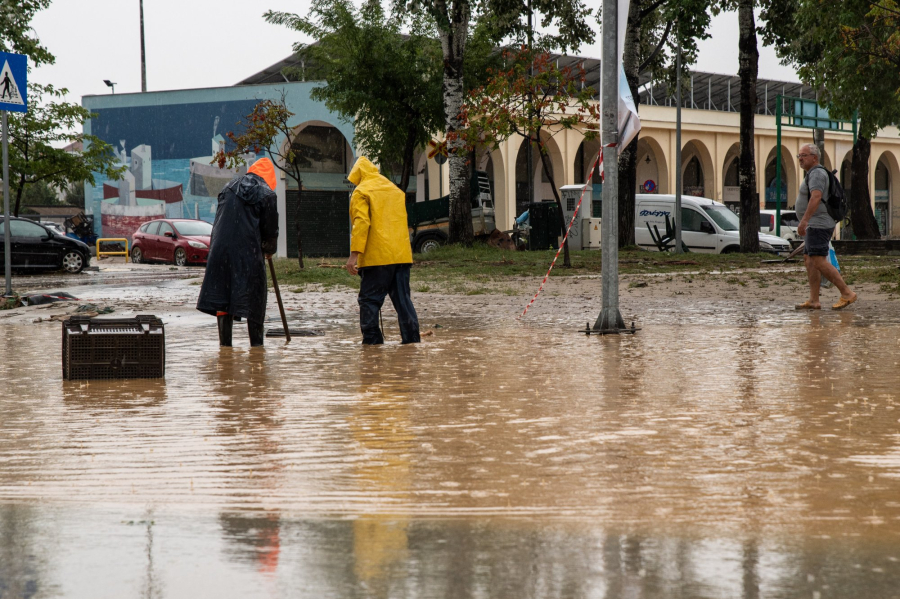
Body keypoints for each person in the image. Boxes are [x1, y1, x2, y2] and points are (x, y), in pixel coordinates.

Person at [197, 157, 279, 346]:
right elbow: (270, 230)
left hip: (219, 251)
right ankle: (256, 348)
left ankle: (225, 348)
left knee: (223, 296)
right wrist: (269, 250)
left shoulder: (228, 188)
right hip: (248, 252)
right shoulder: (267, 194)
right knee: (255, 297)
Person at [345, 156, 420, 344]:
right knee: (404, 303)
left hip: (376, 258)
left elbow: (361, 224)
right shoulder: (394, 190)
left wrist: (354, 256)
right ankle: (412, 343)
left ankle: (372, 346)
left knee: (369, 301)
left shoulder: (361, 192)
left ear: (358, 175)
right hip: (401, 256)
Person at [794, 143, 858, 310]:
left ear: (814, 158)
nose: (800, 158)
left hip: (818, 224)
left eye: (804, 155)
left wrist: (805, 220)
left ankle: (847, 293)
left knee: (818, 259)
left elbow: (816, 197)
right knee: (809, 259)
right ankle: (814, 300)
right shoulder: (812, 173)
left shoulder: (817, 174)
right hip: (814, 224)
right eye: (799, 155)